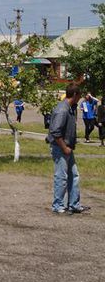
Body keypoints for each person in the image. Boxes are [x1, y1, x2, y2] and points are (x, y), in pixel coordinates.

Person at [47, 84, 90, 215]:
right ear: (75, 95)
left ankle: (74, 204)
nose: (80, 98)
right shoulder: (62, 110)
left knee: (74, 175)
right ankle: (58, 205)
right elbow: (55, 131)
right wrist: (64, 147)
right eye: (80, 95)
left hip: (67, 148)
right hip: (60, 148)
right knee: (61, 177)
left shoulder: (71, 108)